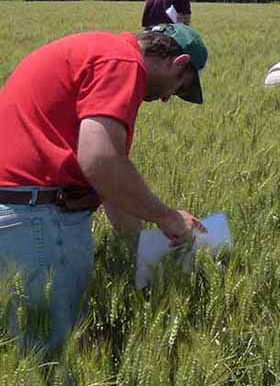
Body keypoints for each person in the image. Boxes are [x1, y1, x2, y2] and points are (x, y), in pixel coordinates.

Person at [0, 24, 209, 353]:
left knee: (27, 355)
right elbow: (101, 161)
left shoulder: (97, 50)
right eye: (178, 88)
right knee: (51, 363)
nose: (168, 98)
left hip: (19, 215)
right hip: (37, 217)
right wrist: (166, 217)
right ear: (179, 62)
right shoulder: (123, 62)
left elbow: (108, 184)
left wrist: (140, 255)